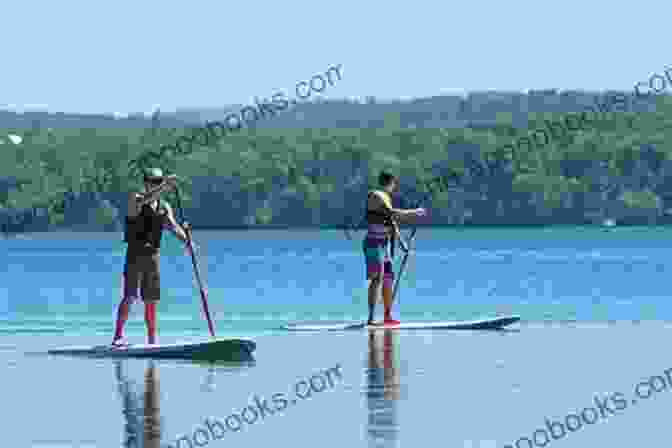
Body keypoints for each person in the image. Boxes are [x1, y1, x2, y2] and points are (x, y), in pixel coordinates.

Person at [112, 168, 190, 347]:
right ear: (145, 183)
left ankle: (152, 342)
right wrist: (165, 185)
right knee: (130, 296)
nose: (155, 184)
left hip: (153, 256)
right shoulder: (136, 199)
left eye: (158, 181)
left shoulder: (164, 206)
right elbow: (147, 199)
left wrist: (188, 242)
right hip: (135, 254)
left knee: (151, 300)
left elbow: (173, 227)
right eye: (152, 181)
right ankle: (117, 337)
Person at [364, 172, 426, 325]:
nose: (394, 188)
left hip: (385, 244)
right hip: (373, 243)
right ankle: (371, 318)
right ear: (390, 183)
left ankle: (387, 316)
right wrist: (415, 212)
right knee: (377, 278)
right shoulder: (376, 195)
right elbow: (392, 213)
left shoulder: (387, 198)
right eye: (394, 185)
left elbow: (391, 222)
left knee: (387, 279)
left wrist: (402, 242)